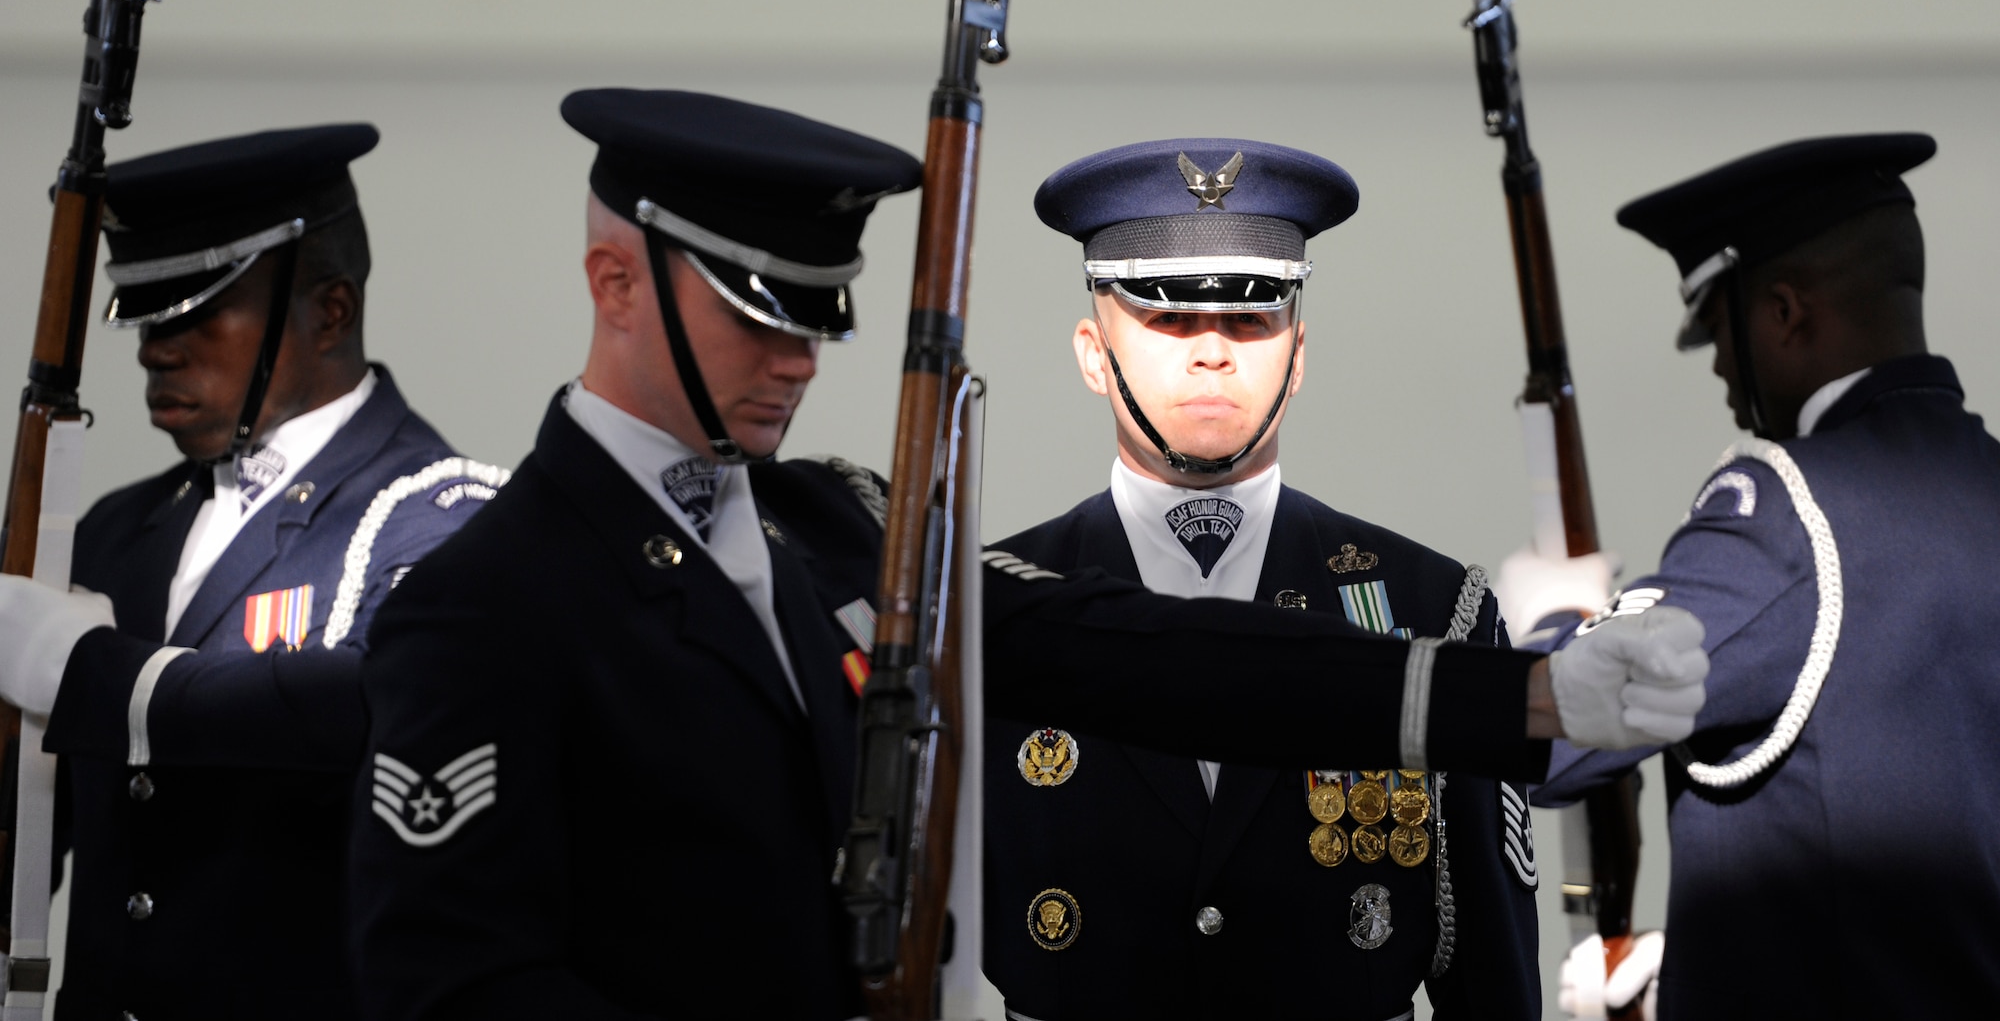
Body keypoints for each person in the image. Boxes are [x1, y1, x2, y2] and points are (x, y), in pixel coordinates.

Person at [348, 89, 1708, 1020]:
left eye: (819, 318)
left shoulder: (825, 530)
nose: (797, 359)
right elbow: (450, 988)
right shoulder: (490, 602)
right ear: (617, 283)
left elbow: (1150, 654)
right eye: (757, 314)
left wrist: (1523, 700)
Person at [981, 138, 1545, 1020]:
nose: (1214, 351)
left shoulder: (1432, 608)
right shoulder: (990, 612)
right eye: (1167, 318)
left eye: (1251, 319)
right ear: (1094, 354)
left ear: (1299, 351)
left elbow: (1490, 982)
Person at [0, 125, 504, 1021]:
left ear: (331, 310)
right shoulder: (117, 529)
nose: (158, 347)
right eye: (149, 314)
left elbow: (379, 702)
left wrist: (97, 674)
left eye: (197, 310)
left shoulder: (440, 512)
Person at [1501, 134, 2000, 1019]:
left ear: (1783, 312)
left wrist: (1547, 620)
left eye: (1721, 332)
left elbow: (1556, 739)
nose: (1725, 369)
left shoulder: (1788, 513)